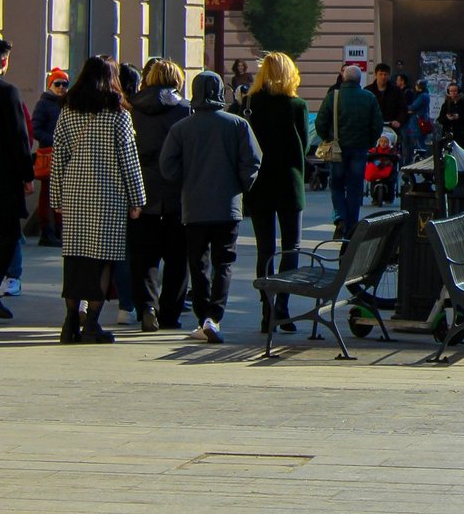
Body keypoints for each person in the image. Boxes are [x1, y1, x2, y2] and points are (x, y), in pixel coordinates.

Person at [159, 72, 261, 345]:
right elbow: (252, 161)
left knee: (198, 263)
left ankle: (202, 315)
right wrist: (240, 185)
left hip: (194, 206)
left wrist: (187, 181)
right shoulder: (238, 125)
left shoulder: (181, 128)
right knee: (224, 263)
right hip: (227, 206)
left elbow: (167, 166)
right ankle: (214, 316)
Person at [48, 56, 144, 344]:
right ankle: (91, 323)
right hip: (109, 197)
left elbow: (59, 156)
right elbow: (129, 159)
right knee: (102, 261)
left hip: (76, 194)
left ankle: (69, 324)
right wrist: (137, 199)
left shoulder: (68, 110)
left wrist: (57, 197)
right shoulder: (118, 113)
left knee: (75, 260)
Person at [243, 52, 309, 334]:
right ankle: (283, 303)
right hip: (289, 181)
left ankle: (266, 307)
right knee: (291, 245)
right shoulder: (296, 104)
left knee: (265, 248)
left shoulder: (250, 104)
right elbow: (303, 145)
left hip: (259, 183)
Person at [126, 58, 190, 331]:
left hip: (142, 191)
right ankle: (170, 315)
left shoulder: (131, 109)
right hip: (177, 194)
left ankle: (147, 306)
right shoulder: (185, 111)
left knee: (144, 257)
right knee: (178, 258)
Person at [314, 64, 382, 237]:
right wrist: (370, 141)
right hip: (359, 148)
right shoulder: (369, 97)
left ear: (343, 78)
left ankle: (340, 217)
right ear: (360, 79)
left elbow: (320, 123)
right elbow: (377, 125)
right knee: (355, 187)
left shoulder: (333, 97)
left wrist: (327, 138)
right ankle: (352, 225)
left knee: (336, 185)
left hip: (337, 148)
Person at [0, 38, 31, 322]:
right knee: (8, 236)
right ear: (3, 62)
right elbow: (19, 138)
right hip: (3, 181)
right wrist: (27, 175)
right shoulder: (8, 92)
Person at [31, 67, 68, 246]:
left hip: (63, 155)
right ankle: (47, 231)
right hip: (49, 154)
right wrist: (53, 141)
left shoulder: (67, 104)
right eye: (58, 83)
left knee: (62, 193)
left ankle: (59, 231)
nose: (61, 87)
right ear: (50, 84)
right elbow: (35, 129)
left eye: (64, 84)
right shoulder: (44, 104)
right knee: (47, 193)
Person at [436, 82, 464, 150]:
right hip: (448, 133)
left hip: (459, 133)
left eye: (455, 91)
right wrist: (447, 118)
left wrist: (459, 117)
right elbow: (440, 119)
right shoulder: (446, 104)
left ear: (458, 91)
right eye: (451, 91)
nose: (453, 93)